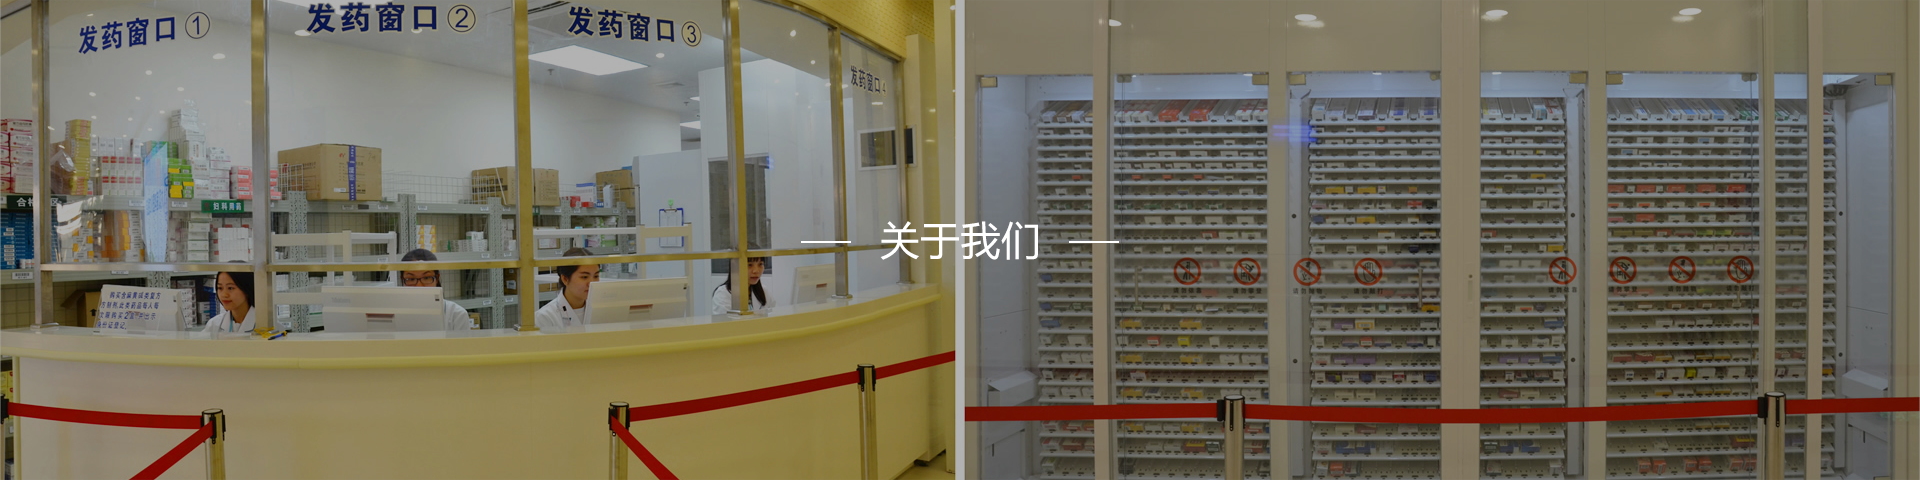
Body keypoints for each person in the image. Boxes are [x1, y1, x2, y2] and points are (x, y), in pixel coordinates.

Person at [399, 249, 472, 331]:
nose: (419, 285)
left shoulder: (456, 314)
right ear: (402, 279)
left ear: (437, 278)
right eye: (411, 279)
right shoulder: (394, 313)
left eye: (426, 278)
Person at [534, 247, 598, 330]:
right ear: (565, 279)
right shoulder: (544, 317)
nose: (592, 283)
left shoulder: (601, 309)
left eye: (596, 276)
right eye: (584, 277)